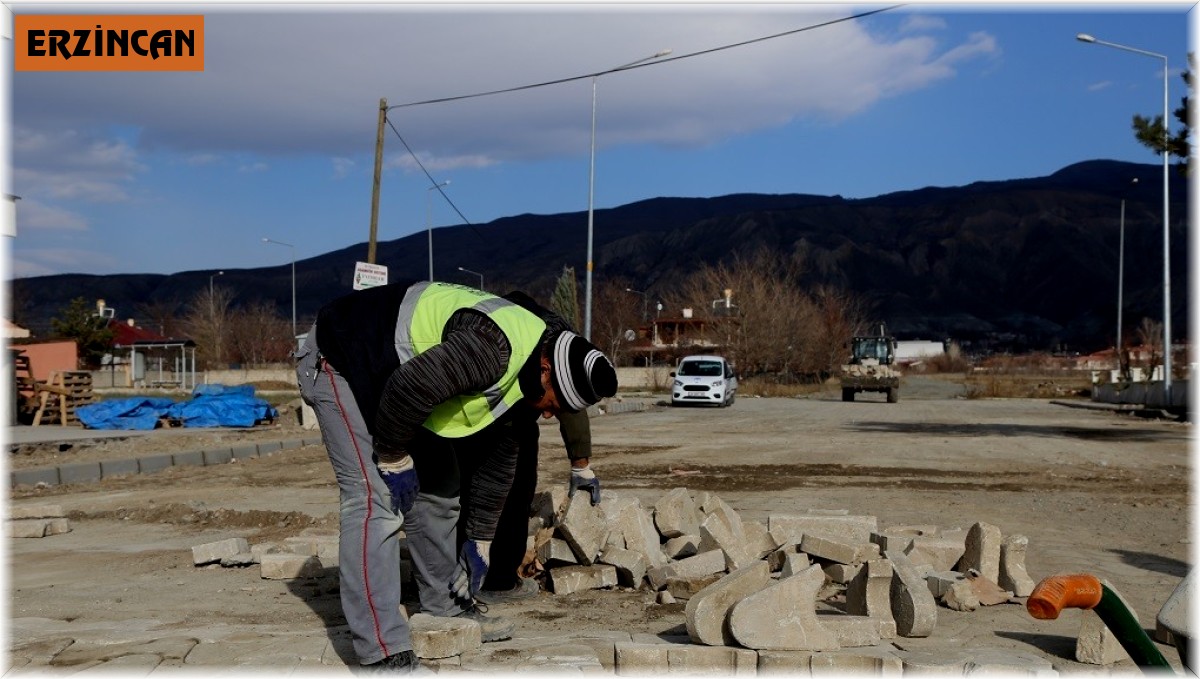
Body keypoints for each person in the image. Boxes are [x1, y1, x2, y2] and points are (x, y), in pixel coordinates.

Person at [296, 280, 617, 673]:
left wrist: (481, 539)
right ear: (547, 368)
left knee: (441, 486)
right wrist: (395, 459)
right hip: (344, 358)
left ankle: (445, 607)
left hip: (401, 381)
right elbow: (405, 390)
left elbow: (500, 460)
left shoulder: (531, 368)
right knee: (374, 499)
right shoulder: (491, 350)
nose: (549, 414)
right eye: (553, 404)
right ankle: (382, 650)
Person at [475, 292, 602, 603]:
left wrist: (580, 464)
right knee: (477, 494)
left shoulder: (557, 342)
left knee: (518, 490)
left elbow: (570, 403)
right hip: (475, 419)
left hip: (517, 422)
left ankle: (500, 578)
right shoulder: (496, 340)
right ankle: (468, 579)